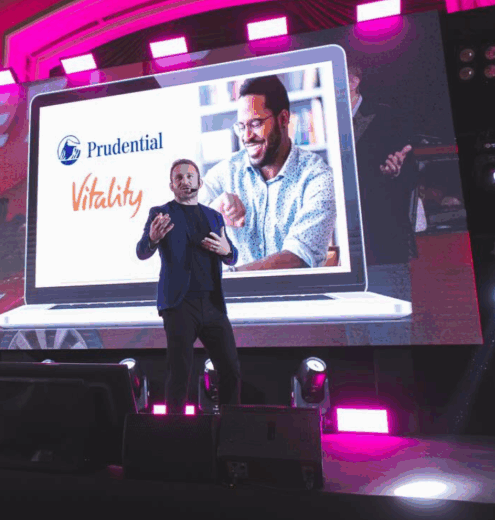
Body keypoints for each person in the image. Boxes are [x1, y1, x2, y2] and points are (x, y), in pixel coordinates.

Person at [136, 158, 241, 414]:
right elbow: (141, 252)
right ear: (172, 185)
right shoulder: (160, 213)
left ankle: (229, 434)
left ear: (200, 182)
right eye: (179, 178)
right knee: (180, 372)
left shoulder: (214, 216)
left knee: (231, 370)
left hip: (212, 304)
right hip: (179, 304)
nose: (185, 181)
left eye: (190, 177)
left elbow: (231, 255)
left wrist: (228, 251)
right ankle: (175, 435)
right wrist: (152, 238)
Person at [200, 75, 337, 271]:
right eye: (241, 127)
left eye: (255, 124)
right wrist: (214, 211)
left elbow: (298, 257)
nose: (246, 137)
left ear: (283, 119)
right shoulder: (224, 174)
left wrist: (230, 279)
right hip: (231, 299)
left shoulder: (318, 177)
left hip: (298, 299)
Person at [345, 62, 418, 344]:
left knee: (390, 332)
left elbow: (411, 169)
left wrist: (396, 171)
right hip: (347, 249)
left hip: (383, 240)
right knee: (355, 333)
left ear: (353, 81)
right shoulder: (323, 122)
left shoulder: (387, 116)